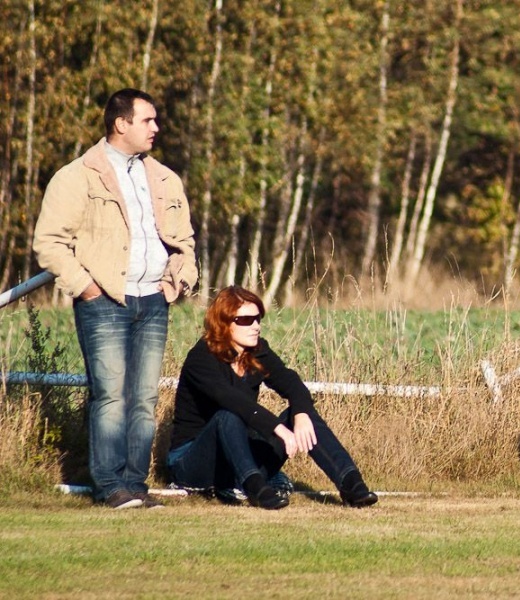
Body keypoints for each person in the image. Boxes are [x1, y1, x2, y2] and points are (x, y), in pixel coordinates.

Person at [33, 88, 197, 509]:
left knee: (144, 397)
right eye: (148, 120)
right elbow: (49, 243)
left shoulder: (164, 177)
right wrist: (87, 287)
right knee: (110, 394)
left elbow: (185, 241)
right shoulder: (76, 176)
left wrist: (177, 281)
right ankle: (109, 486)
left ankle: (135, 485)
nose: (156, 128)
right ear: (121, 123)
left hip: (153, 301)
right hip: (104, 301)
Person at [167, 286, 378, 510]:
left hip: (237, 457)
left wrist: (301, 412)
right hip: (193, 463)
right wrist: (277, 428)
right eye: (246, 320)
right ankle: (256, 489)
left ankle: (352, 484)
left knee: (302, 414)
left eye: (258, 318)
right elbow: (233, 400)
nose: (256, 326)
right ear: (224, 323)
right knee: (227, 415)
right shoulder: (201, 358)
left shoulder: (256, 351)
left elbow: (290, 381)